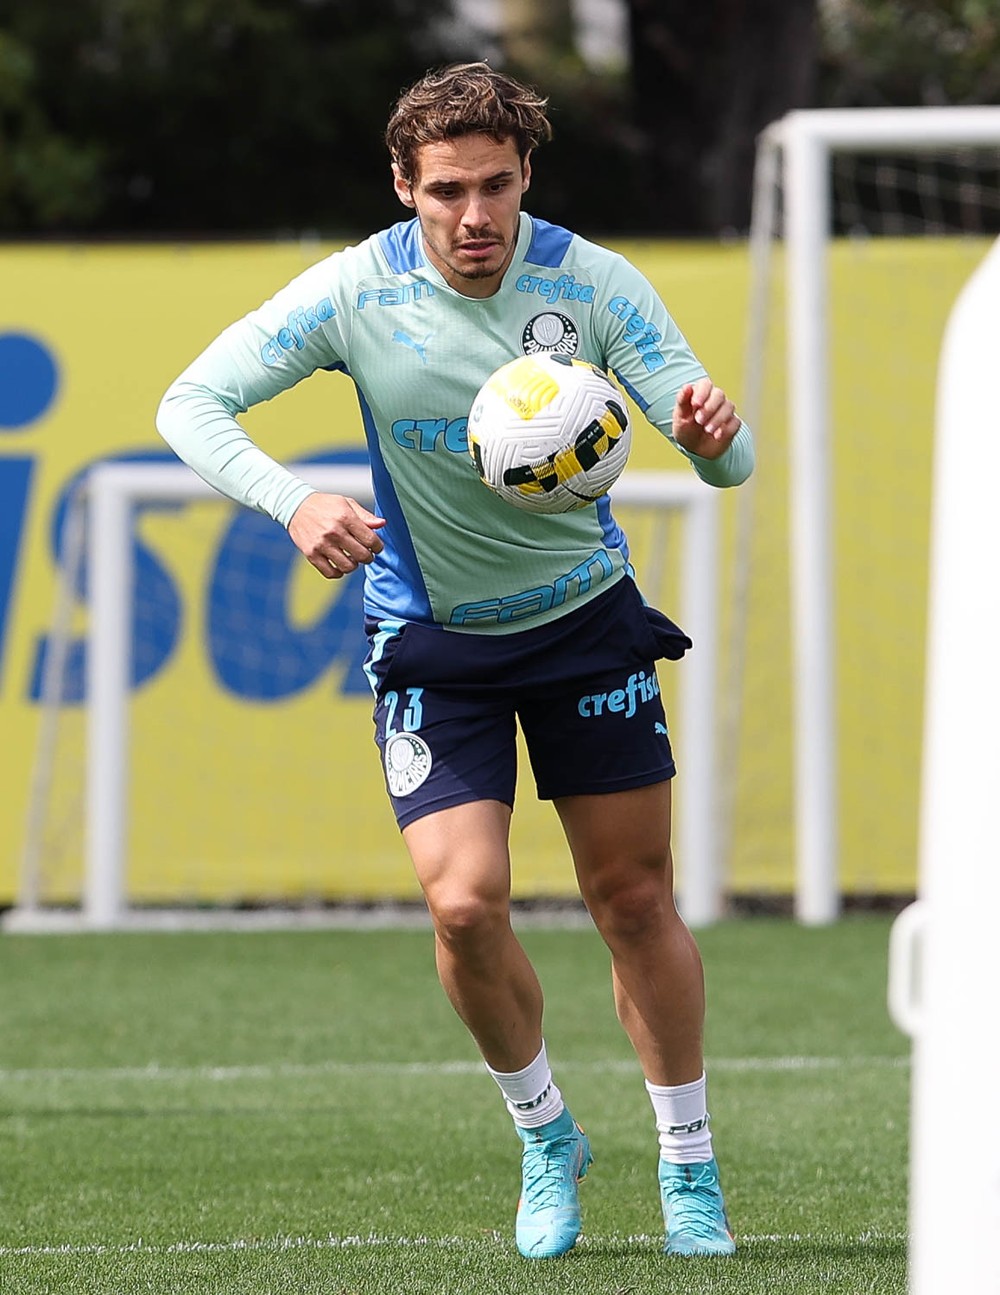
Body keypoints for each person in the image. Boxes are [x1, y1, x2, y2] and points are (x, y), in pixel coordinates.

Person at [156, 61, 753, 1261]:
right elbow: (191, 400)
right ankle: (545, 1133)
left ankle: (689, 1167)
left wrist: (709, 442)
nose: (473, 218)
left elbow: (725, 464)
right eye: (445, 193)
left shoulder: (592, 283)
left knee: (632, 899)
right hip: (434, 639)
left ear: (527, 174)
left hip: (585, 619)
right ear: (402, 185)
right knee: (465, 902)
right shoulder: (352, 293)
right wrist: (289, 502)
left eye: (494, 187)